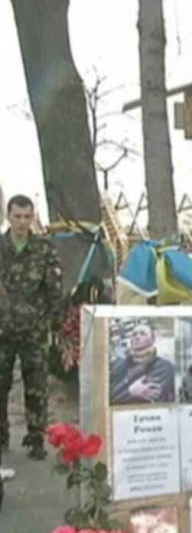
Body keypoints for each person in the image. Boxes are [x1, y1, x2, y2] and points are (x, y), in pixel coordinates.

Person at [0, 195, 63, 460]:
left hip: (34, 331)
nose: (22, 222)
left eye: (27, 217)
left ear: (32, 217)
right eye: (17, 216)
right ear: (8, 215)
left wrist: (50, 322)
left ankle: (36, 438)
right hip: (2, 330)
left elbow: (54, 291)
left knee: (36, 386)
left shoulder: (44, 249)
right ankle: (1, 436)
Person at [110, 322, 176, 405]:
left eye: (143, 334)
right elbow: (107, 396)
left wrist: (123, 392)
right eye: (134, 334)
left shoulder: (165, 368)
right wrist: (129, 392)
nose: (137, 337)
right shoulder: (117, 366)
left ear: (152, 339)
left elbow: (158, 395)